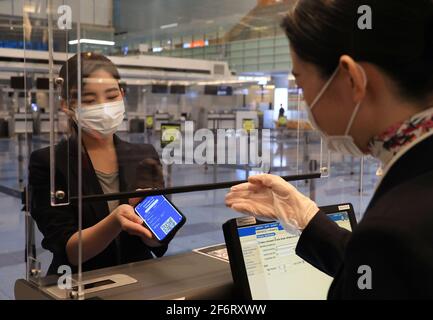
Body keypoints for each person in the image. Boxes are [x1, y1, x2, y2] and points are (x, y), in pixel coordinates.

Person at [226, 0, 433, 299]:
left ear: (351, 79)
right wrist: (306, 218)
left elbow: (389, 258)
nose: (305, 100)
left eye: (301, 83)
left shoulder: (393, 230)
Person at [29, 52, 167, 275]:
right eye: (89, 100)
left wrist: (150, 228)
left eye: (112, 96)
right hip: (80, 283)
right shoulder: (48, 163)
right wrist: (115, 221)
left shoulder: (144, 154)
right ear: (66, 105)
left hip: (140, 279)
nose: (103, 108)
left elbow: (159, 239)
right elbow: (70, 251)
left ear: (122, 95)